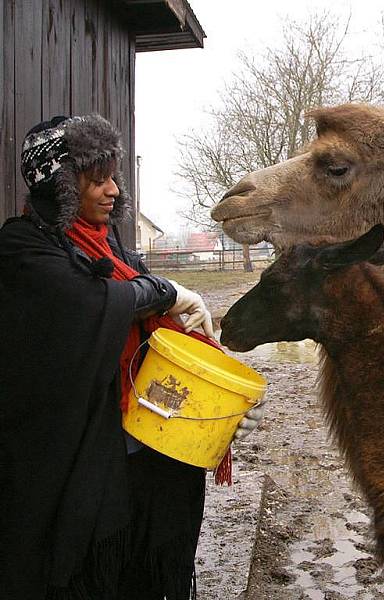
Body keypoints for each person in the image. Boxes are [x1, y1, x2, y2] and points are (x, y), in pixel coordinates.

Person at [0, 115, 266, 599]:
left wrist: (211, 410)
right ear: (59, 186)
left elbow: (153, 341)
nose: (113, 191)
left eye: (114, 178)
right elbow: (90, 303)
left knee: (147, 570)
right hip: (80, 469)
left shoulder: (115, 247)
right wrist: (165, 290)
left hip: (146, 458)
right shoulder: (23, 247)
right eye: (97, 179)